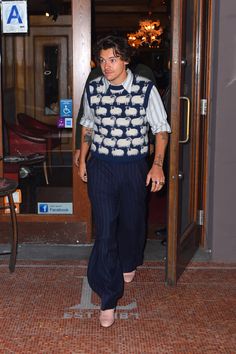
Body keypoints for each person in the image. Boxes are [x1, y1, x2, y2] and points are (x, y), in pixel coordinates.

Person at [77, 35, 171, 328]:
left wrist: (157, 166)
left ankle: (129, 259)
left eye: (113, 59)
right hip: (102, 166)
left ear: (126, 60)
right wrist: (82, 158)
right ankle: (108, 297)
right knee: (105, 231)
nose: (106, 66)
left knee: (131, 225)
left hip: (133, 166)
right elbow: (88, 125)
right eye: (102, 60)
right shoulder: (93, 89)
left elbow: (161, 130)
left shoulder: (145, 90)